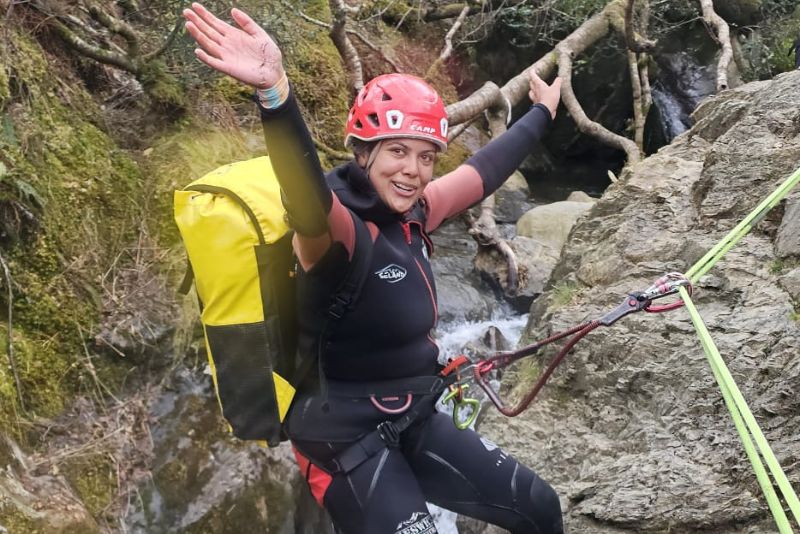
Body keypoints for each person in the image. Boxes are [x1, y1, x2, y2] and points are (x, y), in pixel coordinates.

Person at [183, 4, 564, 533]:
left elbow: (483, 171)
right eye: (397, 151)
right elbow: (305, 194)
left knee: (541, 508)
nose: (412, 170)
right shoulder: (336, 230)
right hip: (345, 442)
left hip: (415, 415)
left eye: (426, 156)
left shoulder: (416, 213)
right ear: (363, 152)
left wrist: (542, 112)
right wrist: (275, 94)